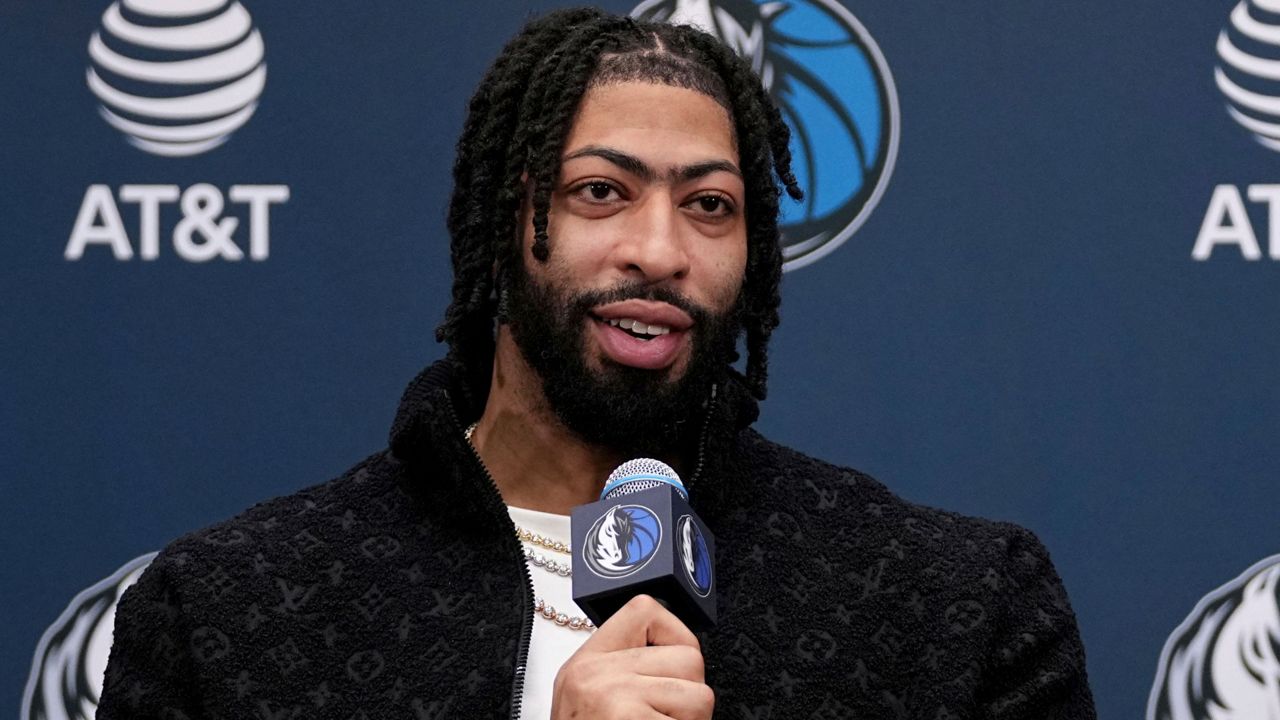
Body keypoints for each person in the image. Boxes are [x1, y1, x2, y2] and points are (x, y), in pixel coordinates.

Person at [98, 7, 1096, 719]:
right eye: (600, 192)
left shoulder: (952, 604)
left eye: (709, 205)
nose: (658, 252)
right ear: (504, 224)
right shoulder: (233, 611)